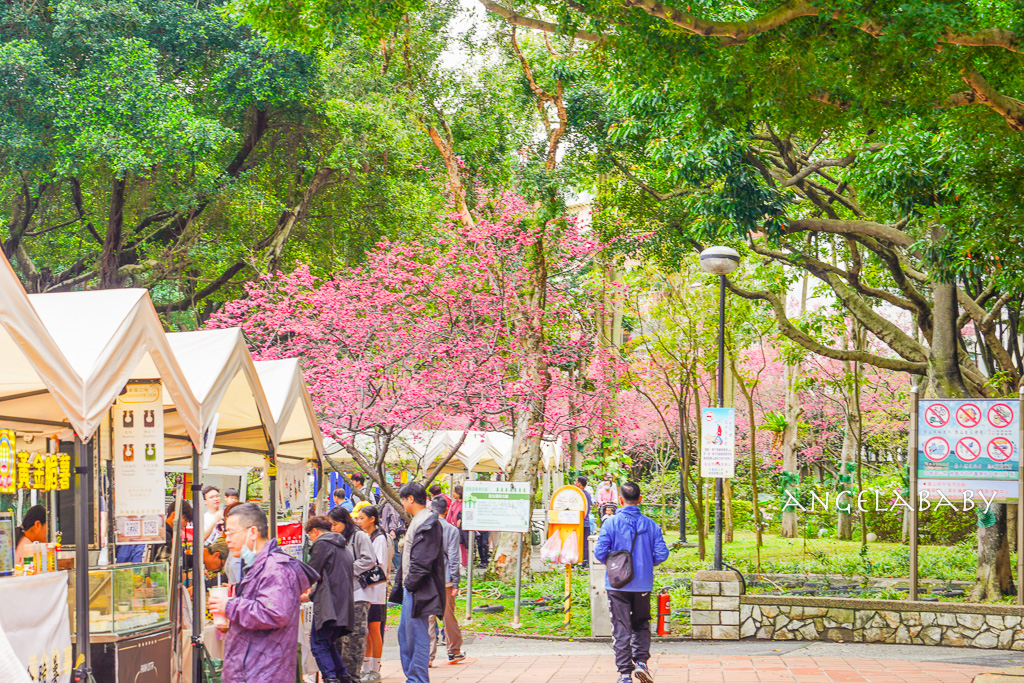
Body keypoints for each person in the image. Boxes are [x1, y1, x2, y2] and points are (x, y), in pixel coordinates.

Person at [209, 503, 316, 683]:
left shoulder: (275, 568)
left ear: (252, 532)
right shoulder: (260, 565)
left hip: (263, 673)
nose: (227, 539)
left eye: (231, 532)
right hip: (253, 669)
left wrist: (229, 606)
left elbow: (274, 612)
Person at [594, 482, 670, 683]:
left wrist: (615, 565)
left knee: (620, 627)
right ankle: (641, 663)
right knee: (641, 624)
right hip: (642, 584)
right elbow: (662, 553)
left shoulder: (610, 524)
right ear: (640, 499)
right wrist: (645, 563)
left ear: (620, 500)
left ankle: (625, 674)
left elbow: (600, 552)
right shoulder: (651, 525)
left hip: (617, 584)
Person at [394, 482, 445, 683]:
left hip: (418, 588)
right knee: (406, 635)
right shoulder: (421, 520)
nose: (402, 504)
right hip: (413, 587)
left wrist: (410, 584)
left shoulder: (427, 522)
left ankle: (417, 679)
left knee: (416, 636)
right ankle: (414, 677)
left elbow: (423, 561)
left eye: (403, 500)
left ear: (410, 499)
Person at [306, 515, 356, 683]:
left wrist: (302, 592)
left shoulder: (322, 544)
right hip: (343, 602)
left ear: (314, 531)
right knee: (327, 642)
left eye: (310, 536)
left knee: (319, 643)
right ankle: (343, 676)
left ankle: (331, 678)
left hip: (329, 604)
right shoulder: (341, 545)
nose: (311, 540)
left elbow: (310, 573)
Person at [328, 505, 376, 678]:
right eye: (331, 525)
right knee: (339, 638)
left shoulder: (358, 536)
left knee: (355, 637)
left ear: (345, 522)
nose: (333, 528)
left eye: (335, 524)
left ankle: (352, 675)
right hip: (339, 595)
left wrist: (346, 569)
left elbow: (369, 560)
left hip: (357, 593)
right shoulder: (333, 538)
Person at [355, 505, 393, 682]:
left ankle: (375, 668)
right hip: (367, 591)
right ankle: (366, 668)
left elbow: (379, 566)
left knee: (374, 630)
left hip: (376, 592)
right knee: (367, 631)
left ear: (372, 519)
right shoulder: (368, 537)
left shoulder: (379, 539)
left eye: (362, 518)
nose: (359, 521)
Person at [428, 499, 465, 666]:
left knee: (429, 617)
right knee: (448, 615)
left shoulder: (425, 527)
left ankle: (427, 656)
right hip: (445, 579)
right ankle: (453, 651)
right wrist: (456, 581)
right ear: (447, 510)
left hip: (428, 578)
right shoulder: (451, 529)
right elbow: (454, 557)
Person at [575, 476, 594, 562]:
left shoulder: (578, 494)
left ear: (579, 484)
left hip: (579, 522)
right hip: (586, 522)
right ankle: (585, 561)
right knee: (585, 543)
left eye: (575, 482)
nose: (574, 483)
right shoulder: (587, 494)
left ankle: (580, 560)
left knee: (578, 543)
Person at [446, 486, 466, 567]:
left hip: (462, 528)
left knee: (463, 546)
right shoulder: (454, 503)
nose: (453, 494)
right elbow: (449, 515)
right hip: (453, 526)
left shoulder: (465, 503)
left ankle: (464, 563)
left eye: (455, 492)